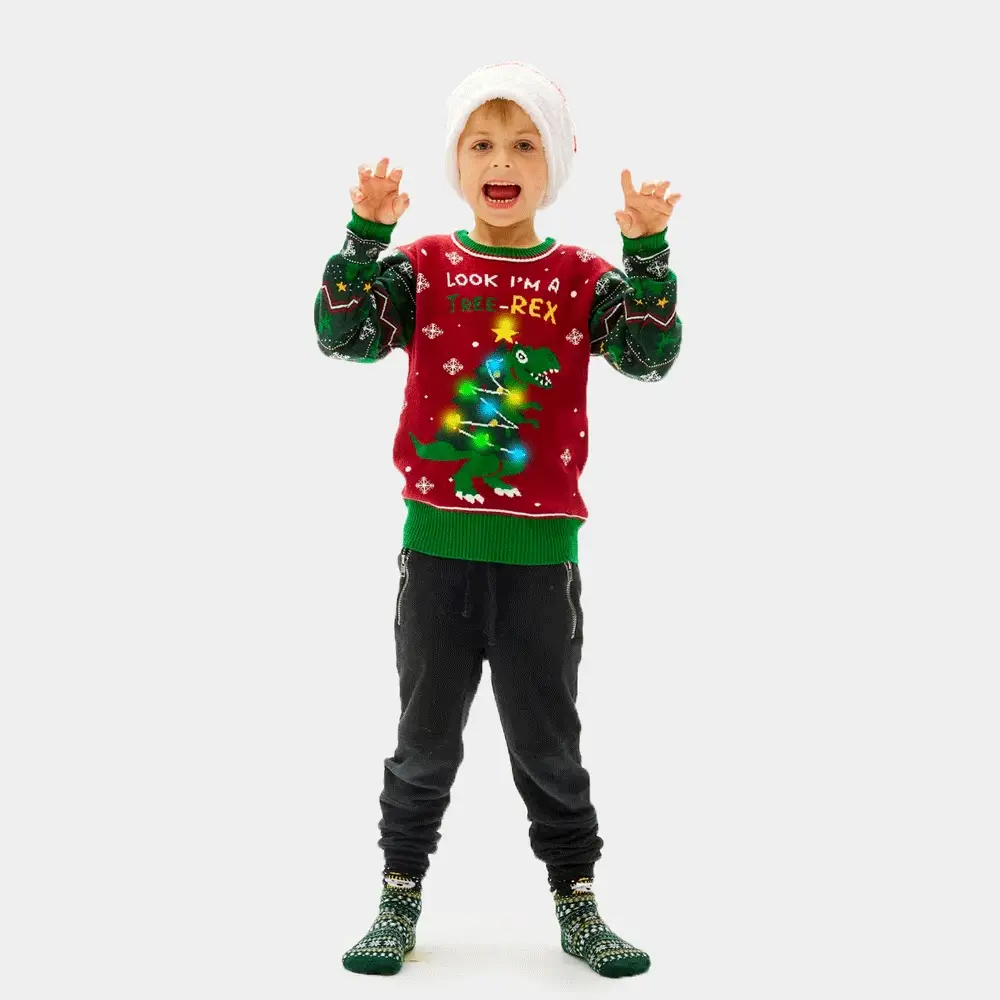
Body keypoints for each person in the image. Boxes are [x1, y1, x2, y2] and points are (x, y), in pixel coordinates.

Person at [313, 61, 683, 978]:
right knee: (423, 742)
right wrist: (364, 237)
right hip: (437, 551)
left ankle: (578, 901)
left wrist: (647, 258)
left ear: (554, 166)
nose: (503, 161)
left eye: (525, 145)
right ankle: (398, 896)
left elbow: (648, 357)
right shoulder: (426, 268)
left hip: (539, 560)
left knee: (550, 744)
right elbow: (342, 337)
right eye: (482, 144)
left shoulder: (580, 278)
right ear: (458, 163)